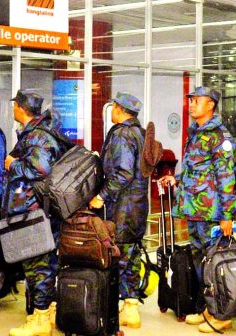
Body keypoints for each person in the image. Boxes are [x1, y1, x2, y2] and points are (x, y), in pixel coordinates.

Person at [159, 87, 236, 333]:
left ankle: (220, 312)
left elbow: (227, 178)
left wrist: (227, 215)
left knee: (213, 260)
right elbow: (195, 170)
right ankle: (206, 307)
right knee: (199, 260)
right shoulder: (196, 132)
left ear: (211, 105)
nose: (191, 104)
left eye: (196, 101)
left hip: (210, 212)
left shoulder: (219, 136)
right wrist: (177, 180)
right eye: (190, 100)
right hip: (194, 209)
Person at [2, 90, 69, 336]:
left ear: (21, 108)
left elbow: (40, 168)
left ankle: (40, 319)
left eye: (15, 106)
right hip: (39, 209)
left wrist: (13, 164)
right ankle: (47, 312)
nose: (13, 109)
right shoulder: (41, 132)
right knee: (45, 262)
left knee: (36, 264)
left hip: (33, 210)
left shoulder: (38, 136)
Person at [90, 93, 150, 329]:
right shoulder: (139, 132)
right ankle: (131, 305)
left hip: (123, 206)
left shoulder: (123, 134)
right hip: (137, 205)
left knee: (121, 255)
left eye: (113, 107)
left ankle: (126, 308)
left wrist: (100, 196)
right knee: (131, 254)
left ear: (119, 109)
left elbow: (123, 173)